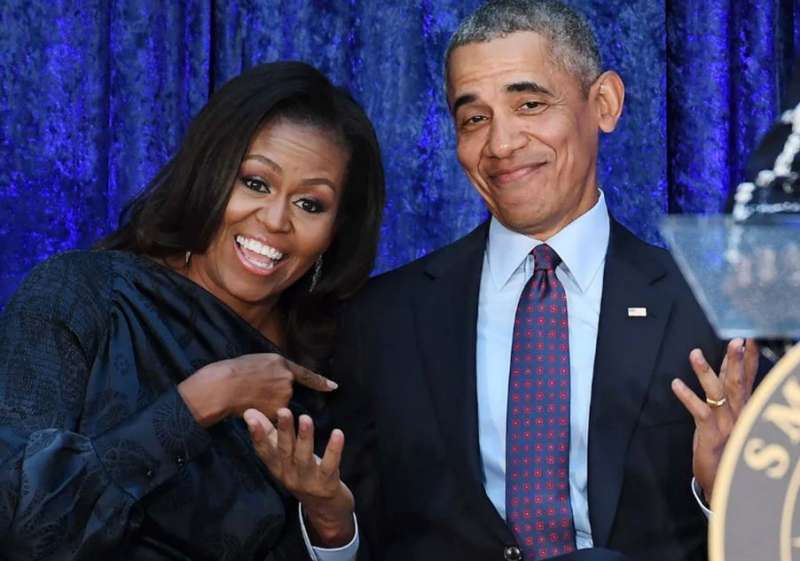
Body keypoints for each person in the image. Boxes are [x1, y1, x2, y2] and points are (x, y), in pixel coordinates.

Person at [329, 1, 757, 561]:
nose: (501, 144)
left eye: (529, 104)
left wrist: (726, 495)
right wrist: (331, 530)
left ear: (604, 103)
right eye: (474, 119)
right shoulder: (382, 319)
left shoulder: (711, 307)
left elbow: (771, 531)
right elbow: (356, 528)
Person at [0, 61, 384, 561]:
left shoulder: (329, 378)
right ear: (209, 174)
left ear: (336, 232)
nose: (275, 220)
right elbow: (21, 525)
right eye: (256, 182)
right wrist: (201, 401)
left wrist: (331, 523)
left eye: (310, 204)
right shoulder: (83, 294)